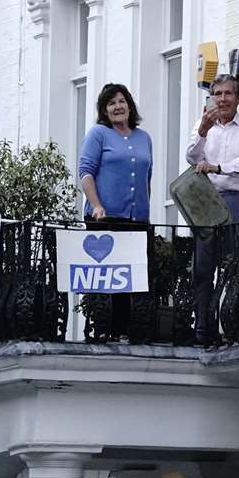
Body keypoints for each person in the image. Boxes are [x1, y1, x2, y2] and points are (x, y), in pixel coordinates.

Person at [187, 74, 239, 344]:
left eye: (227, 94)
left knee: (238, 264)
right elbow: (191, 157)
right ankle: (203, 328)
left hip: (238, 200)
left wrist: (217, 167)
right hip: (208, 200)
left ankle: (236, 325)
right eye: (217, 94)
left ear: (238, 98)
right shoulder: (203, 126)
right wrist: (202, 133)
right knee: (203, 266)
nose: (222, 99)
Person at [77, 83, 152, 340]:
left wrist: (145, 210)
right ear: (104, 110)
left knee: (129, 278)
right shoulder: (98, 134)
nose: (117, 107)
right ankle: (101, 330)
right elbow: (85, 173)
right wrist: (97, 205)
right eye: (111, 103)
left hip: (136, 219)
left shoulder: (144, 138)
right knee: (105, 277)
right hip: (105, 217)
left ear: (129, 105)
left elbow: (146, 178)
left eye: (121, 101)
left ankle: (124, 331)